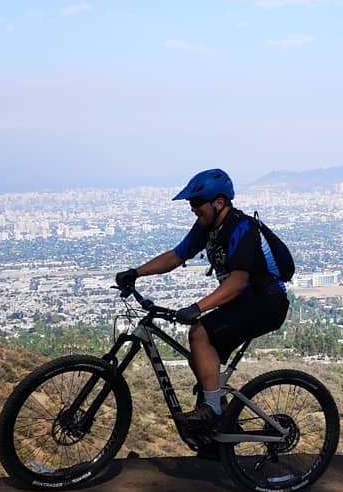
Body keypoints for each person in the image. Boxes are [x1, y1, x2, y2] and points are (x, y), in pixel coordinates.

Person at [114, 168, 290, 432]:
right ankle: (219, 430)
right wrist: (136, 272)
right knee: (200, 355)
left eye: (197, 203)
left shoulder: (241, 229)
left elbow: (238, 282)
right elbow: (176, 256)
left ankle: (213, 412)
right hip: (243, 303)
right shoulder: (207, 228)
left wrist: (198, 308)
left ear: (219, 202)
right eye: (191, 203)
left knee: (199, 333)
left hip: (265, 303)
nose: (193, 209)